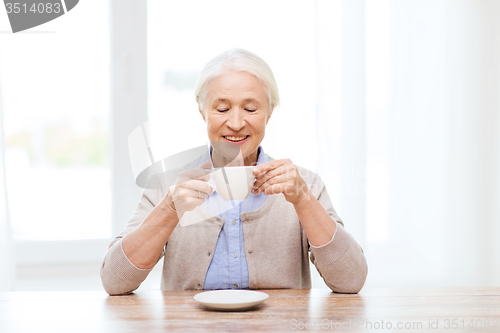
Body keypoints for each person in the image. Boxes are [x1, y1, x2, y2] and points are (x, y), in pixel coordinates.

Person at [100, 48, 367, 295]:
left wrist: (304, 201)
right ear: (202, 110)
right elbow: (114, 282)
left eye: (250, 109)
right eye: (222, 108)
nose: (237, 123)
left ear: (269, 113)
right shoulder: (167, 185)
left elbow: (351, 281)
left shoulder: (304, 184)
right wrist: (169, 209)